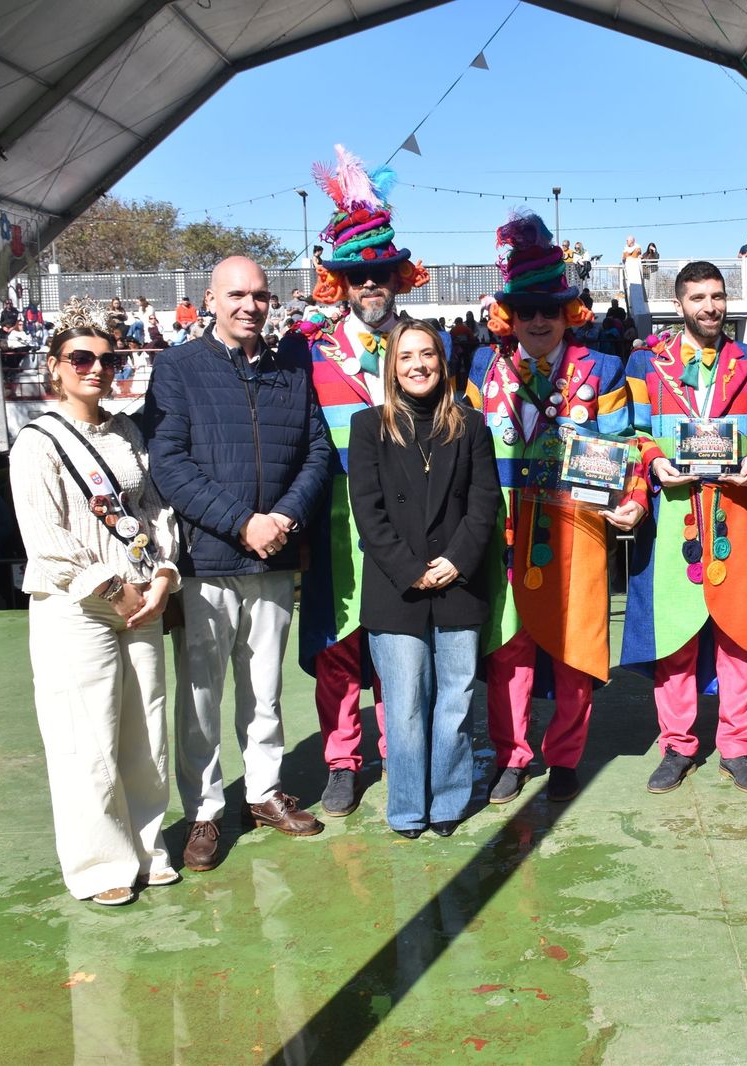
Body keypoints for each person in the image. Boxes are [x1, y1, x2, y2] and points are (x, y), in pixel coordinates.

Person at [142, 256, 333, 873]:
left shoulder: (290, 371)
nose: (249, 305)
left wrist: (282, 519)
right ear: (209, 300)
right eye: (236, 295)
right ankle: (204, 809)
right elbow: (168, 463)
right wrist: (240, 522)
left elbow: (316, 452)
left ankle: (262, 792)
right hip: (207, 561)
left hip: (273, 557)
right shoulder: (176, 369)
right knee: (202, 695)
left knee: (266, 691)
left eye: (259, 295)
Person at [464, 211, 646, 804]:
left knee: (575, 645)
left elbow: (629, 445)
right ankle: (512, 755)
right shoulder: (483, 371)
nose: (538, 320)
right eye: (526, 310)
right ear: (509, 317)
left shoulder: (603, 368)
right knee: (507, 649)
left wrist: (635, 498)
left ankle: (565, 756)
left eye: (550, 309)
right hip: (504, 528)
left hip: (578, 527)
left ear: (569, 313)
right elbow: (465, 450)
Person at [282, 145, 433, 820]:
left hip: (409, 521)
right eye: (358, 278)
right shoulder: (310, 353)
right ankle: (342, 763)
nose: (371, 288)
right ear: (339, 285)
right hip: (339, 526)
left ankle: (404, 754)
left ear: (398, 280)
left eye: (381, 277)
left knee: (403, 647)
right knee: (340, 647)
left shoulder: (426, 350)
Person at [10, 305, 180, 905]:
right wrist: (112, 587)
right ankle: (98, 864)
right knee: (86, 736)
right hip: (76, 606)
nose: (97, 368)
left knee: (146, 730)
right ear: (55, 369)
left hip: (143, 599)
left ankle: (146, 847)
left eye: (108, 358)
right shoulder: (36, 441)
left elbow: (155, 510)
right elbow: (45, 539)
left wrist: (162, 571)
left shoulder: (126, 432)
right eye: (81, 358)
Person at [622, 260, 747, 795]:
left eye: (717, 296)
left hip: (738, 515)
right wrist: (652, 461)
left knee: (740, 638)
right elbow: (630, 430)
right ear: (678, 306)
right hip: (673, 520)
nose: (710, 307)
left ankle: (738, 748)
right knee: (675, 639)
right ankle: (677, 745)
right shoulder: (646, 364)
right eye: (698, 298)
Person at [349, 319, 498, 838]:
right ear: (392, 366)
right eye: (406, 356)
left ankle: (449, 803)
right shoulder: (369, 427)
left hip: (459, 581)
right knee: (406, 704)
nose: (418, 365)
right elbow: (367, 511)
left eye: (427, 354)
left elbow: (484, 504)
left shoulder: (472, 426)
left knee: (455, 701)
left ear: (443, 360)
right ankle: (409, 807)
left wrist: (456, 560)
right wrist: (413, 570)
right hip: (397, 587)